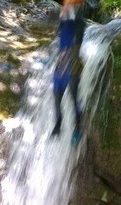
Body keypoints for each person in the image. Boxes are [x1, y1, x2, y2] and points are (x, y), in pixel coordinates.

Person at [51, 0, 86, 144]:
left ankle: (78, 128)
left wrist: (70, 6)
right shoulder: (63, 23)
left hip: (74, 63)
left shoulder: (79, 23)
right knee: (57, 94)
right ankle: (58, 124)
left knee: (73, 95)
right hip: (62, 62)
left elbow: (78, 10)